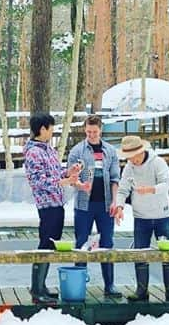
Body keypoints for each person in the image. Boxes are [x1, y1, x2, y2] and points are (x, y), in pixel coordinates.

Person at [114, 134, 169, 303]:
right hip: (141, 216)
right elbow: (123, 189)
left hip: (162, 215)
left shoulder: (157, 162)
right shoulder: (129, 167)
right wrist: (120, 206)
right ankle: (141, 290)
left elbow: (166, 183)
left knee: (167, 252)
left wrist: (151, 189)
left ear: (141, 151)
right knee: (140, 252)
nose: (132, 160)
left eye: (133, 156)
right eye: (128, 157)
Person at [23, 112, 83, 305]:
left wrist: (69, 172)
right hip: (46, 204)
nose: (52, 132)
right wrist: (63, 181)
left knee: (51, 243)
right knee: (45, 244)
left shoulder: (48, 149)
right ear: (42, 129)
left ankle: (41, 286)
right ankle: (36, 289)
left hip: (57, 202)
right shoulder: (33, 152)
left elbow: (56, 173)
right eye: (51, 128)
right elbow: (37, 181)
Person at [66, 114, 122, 297]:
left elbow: (115, 179)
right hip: (84, 205)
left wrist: (115, 201)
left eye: (95, 132)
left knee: (107, 243)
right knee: (81, 243)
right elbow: (70, 178)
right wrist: (79, 182)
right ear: (84, 130)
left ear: (101, 130)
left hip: (105, 205)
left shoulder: (111, 151)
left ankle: (110, 285)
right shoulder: (76, 151)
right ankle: (78, 285)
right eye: (88, 131)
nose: (91, 135)